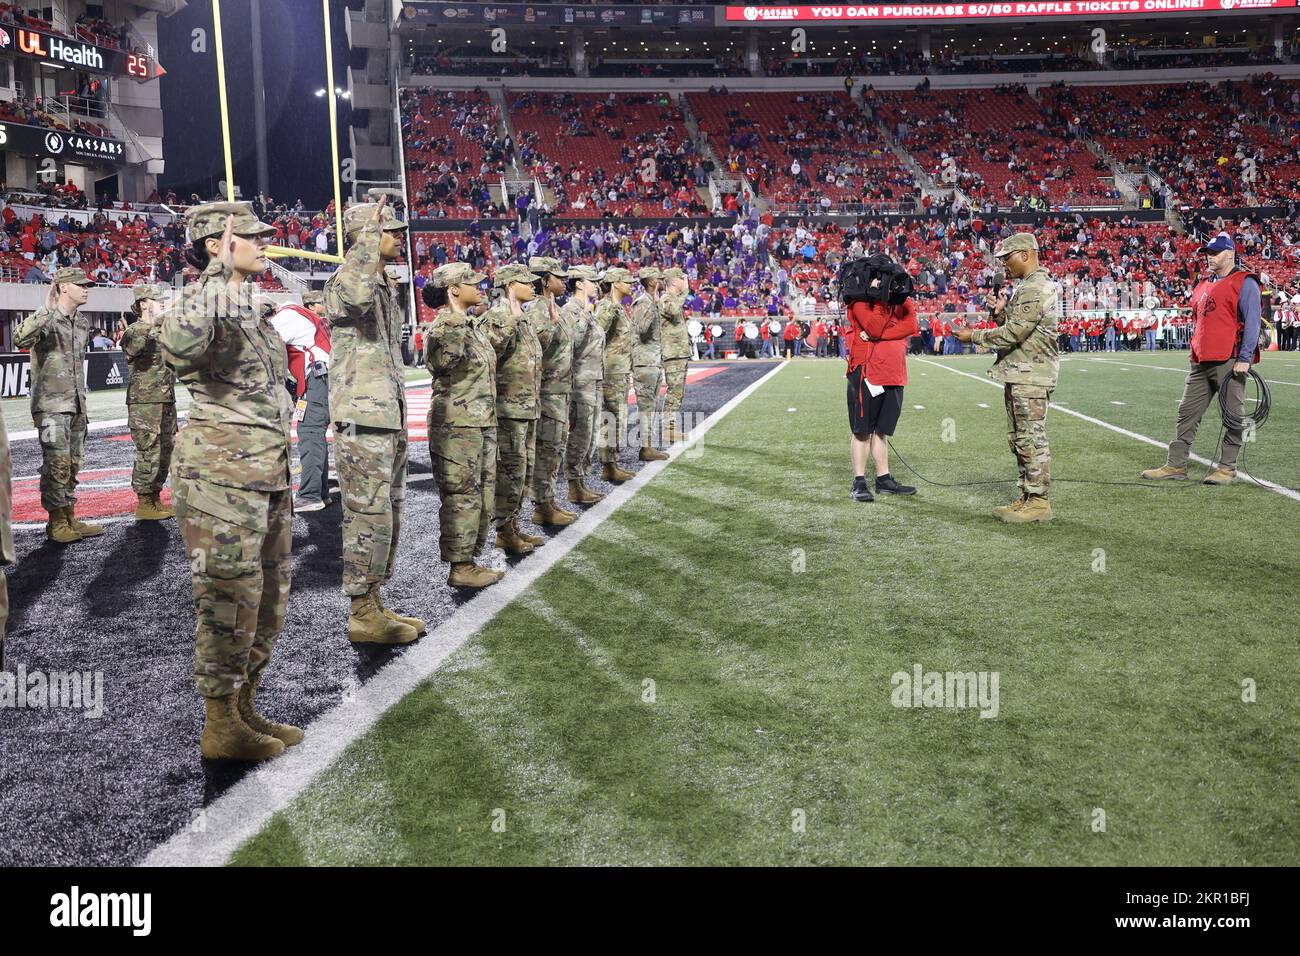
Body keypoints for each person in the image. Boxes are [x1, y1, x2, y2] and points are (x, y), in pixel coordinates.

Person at [159, 202, 298, 762]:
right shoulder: (200, 299)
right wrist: (217, 279)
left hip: (264, 471)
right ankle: (219, 725)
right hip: (220, 477)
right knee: (226, 599)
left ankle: (243, 706)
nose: (266, 245)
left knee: (266, 600)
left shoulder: (249, 308)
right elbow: (177, 348)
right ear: (217, 244)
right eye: (253, 238)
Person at [324, 196, 426, 644]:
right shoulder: (345, 281)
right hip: (361, 417)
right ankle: (361, 610)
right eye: (388, 231)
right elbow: (355, 297)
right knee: (367, 514)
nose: (397, 238)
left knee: (388, 513)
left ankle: (376, 599)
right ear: (365, 236)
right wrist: (365, 240)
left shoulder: (385, 282)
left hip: (386, 414)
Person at [953, 232, 1059, 523]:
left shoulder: (1036, 286)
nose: (1003, 266)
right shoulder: (1026, 286)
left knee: (1031, 438)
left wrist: (973, 335)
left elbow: (1016, 333)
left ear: (1025, 254)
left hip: (1032, 375)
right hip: (1021, 372)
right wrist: (1000, 314)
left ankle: (1038, 501)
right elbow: (1017, 329)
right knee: (1019, 437)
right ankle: (1028, 495)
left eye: (1007, 258)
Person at [1141, 233, 1262, 486]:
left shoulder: (1245, 282)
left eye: (1214, 253)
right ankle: (1176, 465)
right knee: (1186, 412)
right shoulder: (1204, 283)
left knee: (1233, 415)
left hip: (1228, 360)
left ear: (1230, 254)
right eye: (1207, 253)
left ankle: (1227, 469)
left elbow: (1252, 323)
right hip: (1201, 360)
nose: (1209, 257)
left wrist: (1245, 358)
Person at [424, 263, 503, 588]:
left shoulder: (471, 326)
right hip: (457, 426)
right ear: (454, 289)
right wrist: (457, 324)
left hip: (480, 422)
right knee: (462, 496)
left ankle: (470, 560)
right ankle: (460, 566)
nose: (479, 286)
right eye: (472, 282)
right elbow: (441, 363)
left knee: (482, 494)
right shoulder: (446, 326)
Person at [12, 267, 102, 544]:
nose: (86, 289)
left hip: (76, 404)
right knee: (56, 464)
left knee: (73, 463)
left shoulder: (83, 322)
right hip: (51, 405)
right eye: (81, 284)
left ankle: (70, 515)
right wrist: (44, 310)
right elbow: (19, 339)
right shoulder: (46, 320)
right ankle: (56, 522)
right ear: (63, 287)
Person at [846, 256, 919, 502]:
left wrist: (879, 336)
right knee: (862, 431)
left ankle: (883, 479)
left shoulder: (901, 298)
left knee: (882, 430)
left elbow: (911, 326)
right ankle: (858, 482)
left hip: (894, 372)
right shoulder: (859, 301)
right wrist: (878, 301)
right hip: (867, 371)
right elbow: (874, 327)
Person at [488, 263, 545, 556]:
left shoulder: (523, 317)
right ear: (510, 285)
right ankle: (503, 531)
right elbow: (492, 349)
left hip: (527, 406)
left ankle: (513, 524)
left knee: (523, 472)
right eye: (526, 281)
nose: (533, 285)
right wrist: (511, 316)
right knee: (510, 472)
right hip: (509, 408)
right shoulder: (498, 315)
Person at [527, 256, 578, 527]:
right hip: (547, 391)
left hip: (560, 389)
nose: (563, 281)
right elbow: (536, 349)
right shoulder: (537, 309)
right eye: (558, 277)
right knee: (547, 450)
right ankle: (542, 506)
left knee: (555, 448)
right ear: (545, 281)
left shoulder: (550, 306)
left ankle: (548, 502)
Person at [271, 289, 332, 512]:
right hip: (323, 379)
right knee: (315, 434)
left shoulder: (286, 316)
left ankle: (310, 494)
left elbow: (266, 346)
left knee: (310, 434)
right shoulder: (304, 315)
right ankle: (321, 492)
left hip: (317, 379)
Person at [120, 283, 176, 521]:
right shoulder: (135, 330)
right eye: (157, 298)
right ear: (143, 303)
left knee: (165, 451)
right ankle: (144, 501)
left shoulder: (163, 330)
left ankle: (155, 498)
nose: (162, 301)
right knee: (149, 451)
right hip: (144, 402)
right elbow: (134, 350)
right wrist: (157, 324)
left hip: (165, 399)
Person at [563, 265, 607, 504]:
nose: (596, 284)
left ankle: (581, 482)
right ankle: (573, 485)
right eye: (592, 280)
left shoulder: (587, 310)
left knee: (590, 435)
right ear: (579, 283)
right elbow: (573, 342)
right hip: (580, 381)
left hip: (594, 378)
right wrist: (585, 314)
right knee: (580, 434)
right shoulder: (571, 310)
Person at [597, 267, 636, 484]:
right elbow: (598, 330)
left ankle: (612, 463)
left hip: (619, 370)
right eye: (626, 281)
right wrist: (611, 304)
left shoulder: (619, 308)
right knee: (611, 418)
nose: (630, 285)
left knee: (617, 417)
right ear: (615, 284)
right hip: (611, 371)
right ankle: (608, 466)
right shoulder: (607, 306)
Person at [631, 267, 669, 460]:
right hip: (644, 363)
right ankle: (645, 448)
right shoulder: (643, 302)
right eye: (658, 278)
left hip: (652, 362)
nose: (662, 280)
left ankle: (649, 446)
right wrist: (653, 307)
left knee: (651, 405)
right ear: (652, 282)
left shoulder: (651, 302)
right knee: (646, 407)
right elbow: (643, 330)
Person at [659, 267, 692, 443]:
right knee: (674, 392)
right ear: (673, 281)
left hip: (678, 353)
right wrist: (685, 292)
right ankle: (668, 429)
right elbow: (672, 311)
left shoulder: (673, 299)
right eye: (681, 278)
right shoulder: (666, 299)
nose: (684, 281)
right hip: (672, 354)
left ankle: (671, 428)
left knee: (678, 393)